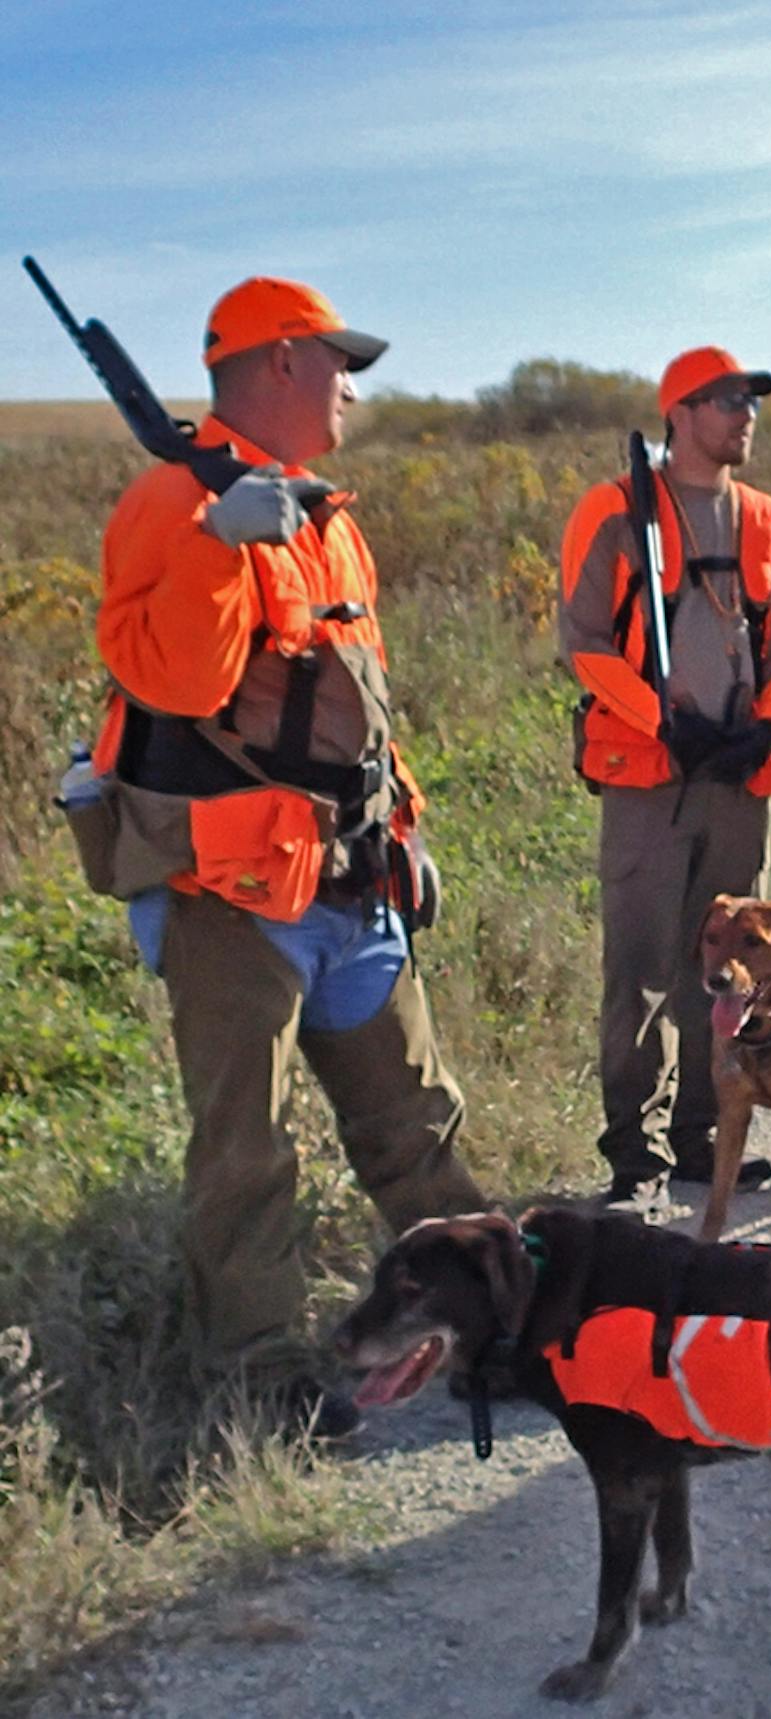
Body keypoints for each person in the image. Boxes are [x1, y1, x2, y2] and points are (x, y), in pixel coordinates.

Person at [93, 276, 486, 1434]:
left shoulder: (326, 513)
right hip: (231, 894)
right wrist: (220, 544)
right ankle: (263, 1381)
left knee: (416, 1125)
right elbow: (175, 683)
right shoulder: (170, 504)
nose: (352, 387)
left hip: (348, 880)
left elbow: (359, 701)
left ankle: (484, 1332)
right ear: (277, 365)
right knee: (248, 1155)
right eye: (336, 362)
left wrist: (403, 829)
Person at [559, 346, 771, 1218]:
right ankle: (638, 1154)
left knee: (734, 964)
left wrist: (766, 729)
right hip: (649, 778)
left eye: (752, 400)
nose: (746, 414)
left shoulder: (770, 519)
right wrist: (662, 720)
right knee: (640, 971)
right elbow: (584, 641)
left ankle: (709, 1134)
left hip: (739, 779)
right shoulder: (615, 509)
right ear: (680, 411)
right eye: (728, 400)